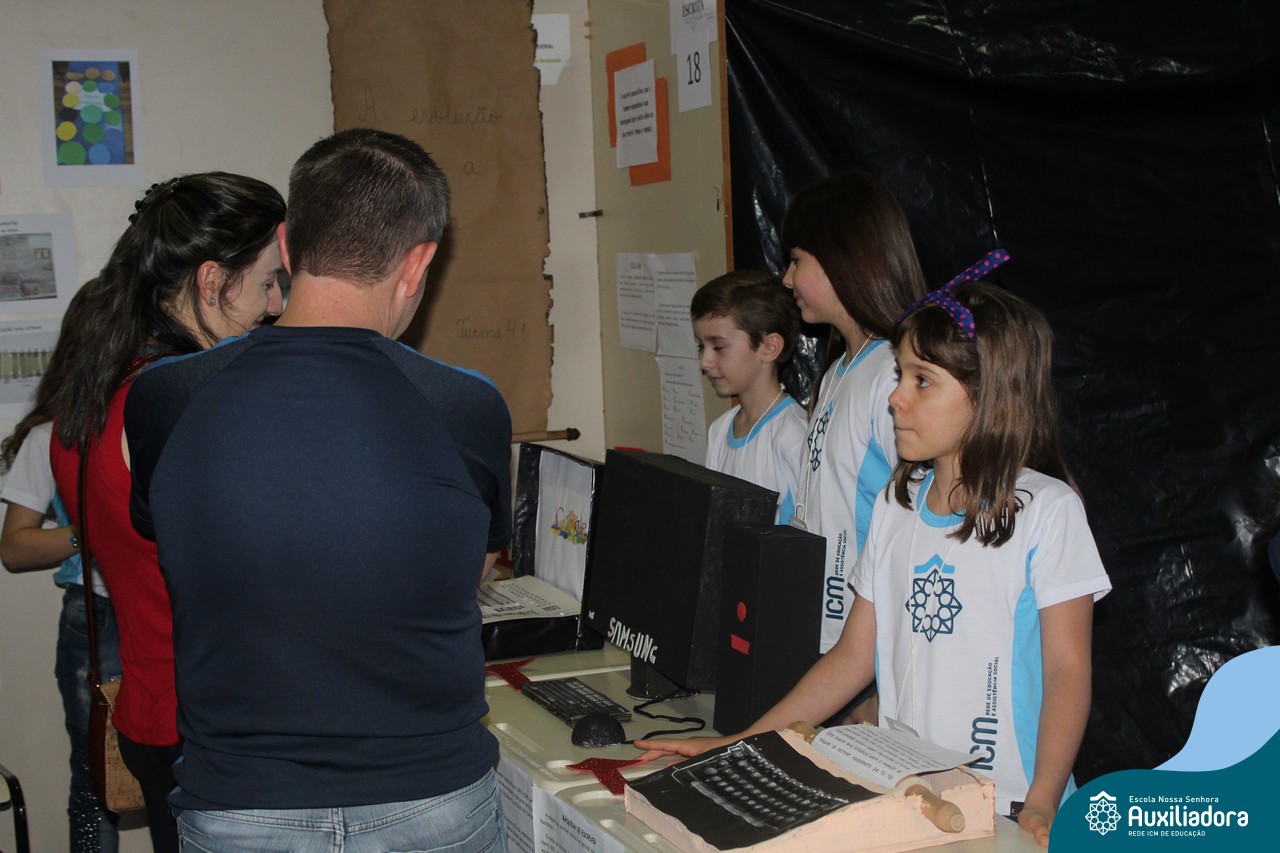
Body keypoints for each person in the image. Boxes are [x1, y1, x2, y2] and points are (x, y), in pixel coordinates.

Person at [639, 258, 1112, 848]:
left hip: (1010, 803)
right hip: (909, 795)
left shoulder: (1047, 511)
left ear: (989, 394)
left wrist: (1043, 799)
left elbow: (1068, 670)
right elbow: (852, 656)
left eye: (921, 381)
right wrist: (742, 743)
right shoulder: (897, 502)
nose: (895, 398)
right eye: (898, 376)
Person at [125, 128, 511, 852]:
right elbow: (466, 575)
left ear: (287, 243)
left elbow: (182, 546)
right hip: (428, 799)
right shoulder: (466, 407)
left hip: (240, 804)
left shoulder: (166, 397)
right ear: (418, 262)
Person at [49, 174, 286, 853]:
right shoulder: (180, 404)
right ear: (212, 281)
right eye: (268, 282)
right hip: (215, 725)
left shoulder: (89, 395)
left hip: (154, 710)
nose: (276, 305)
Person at [780, 171, 927, 660]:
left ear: (842, 257)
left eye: (796, 260)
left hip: (871, 651)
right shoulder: (837, 372)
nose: (786, 279)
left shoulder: (891, 376)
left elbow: (924, 527)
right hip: (827, 643)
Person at [1, 280, 123, 853]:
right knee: (98, 779)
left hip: (173, 610)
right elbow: (14, 548)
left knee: (182, 770)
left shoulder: (160, 412)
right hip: (97, 617)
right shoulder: (52, 435)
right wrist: (88, 531)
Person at [692, 270, 806, 523]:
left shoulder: (794, 438)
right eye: (701, 346)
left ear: (769, 348)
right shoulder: (719, 430)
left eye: (718, 347)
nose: (705, 361)